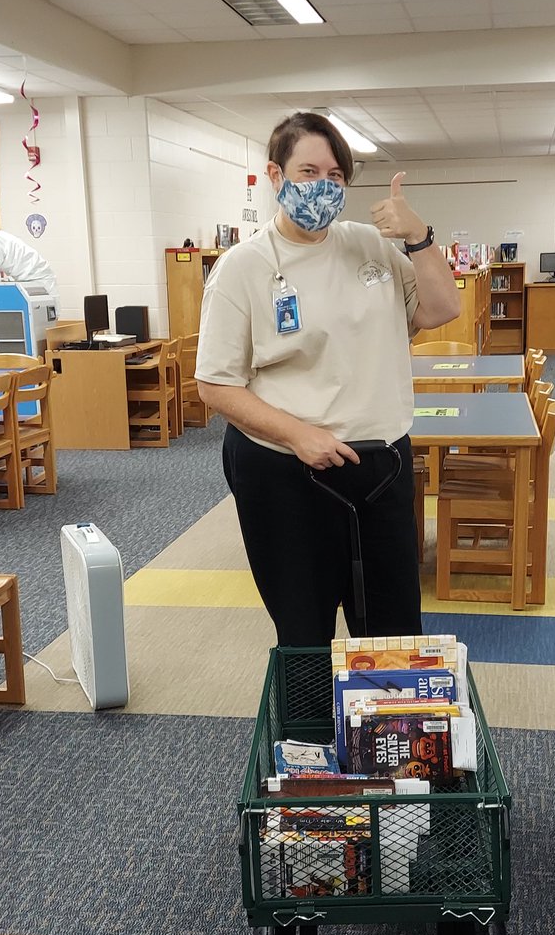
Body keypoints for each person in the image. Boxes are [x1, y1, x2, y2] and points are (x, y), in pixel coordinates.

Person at [195, 111, 460, 647]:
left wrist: (419, 236)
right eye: (308, 172)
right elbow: (215, 385)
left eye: (335, 176)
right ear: (276, 175)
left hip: (380, 464)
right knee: (304, 627)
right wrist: (299, 435)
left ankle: (383, 731)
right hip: (284, 469)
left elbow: (441, 308)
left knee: (392, 629)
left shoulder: (372, 246)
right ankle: (311, 732)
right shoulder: (242, 267)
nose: (322, 186)